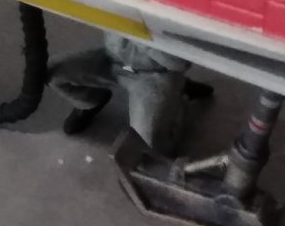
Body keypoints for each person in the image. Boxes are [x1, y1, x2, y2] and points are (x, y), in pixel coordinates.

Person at [48, 33, 214, 156]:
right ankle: (91, 100)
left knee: (148, 148)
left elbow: (180, 63)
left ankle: (178, 100)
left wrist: (139, 34)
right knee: (52, 72)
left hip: (153, 75)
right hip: (117, 62)